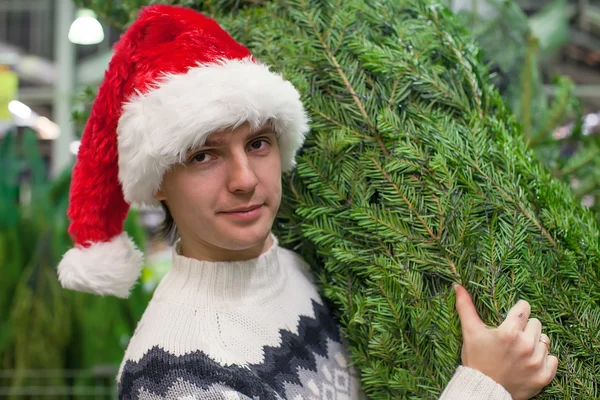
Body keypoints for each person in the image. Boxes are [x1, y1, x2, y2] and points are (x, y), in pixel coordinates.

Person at [56, 5, 558, 399]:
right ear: (159, 180)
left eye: (258, 143)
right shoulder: (173, 378)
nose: (245, 179)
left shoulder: (298, 269)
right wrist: (485, 386)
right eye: (205, 155)